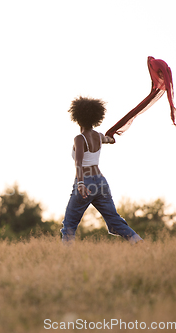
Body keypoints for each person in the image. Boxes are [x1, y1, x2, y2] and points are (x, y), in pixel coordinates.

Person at [60, 96, 143, 244]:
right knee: (115, 221)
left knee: (69, 225)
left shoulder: (79, 139)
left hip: (85, 182)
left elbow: (78, 163)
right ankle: (139, 243)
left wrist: (80, 184)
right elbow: (109, 140)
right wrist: (111, 138)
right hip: (101, 182)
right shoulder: (98, 136)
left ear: (77, 117)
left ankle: (66, 256)